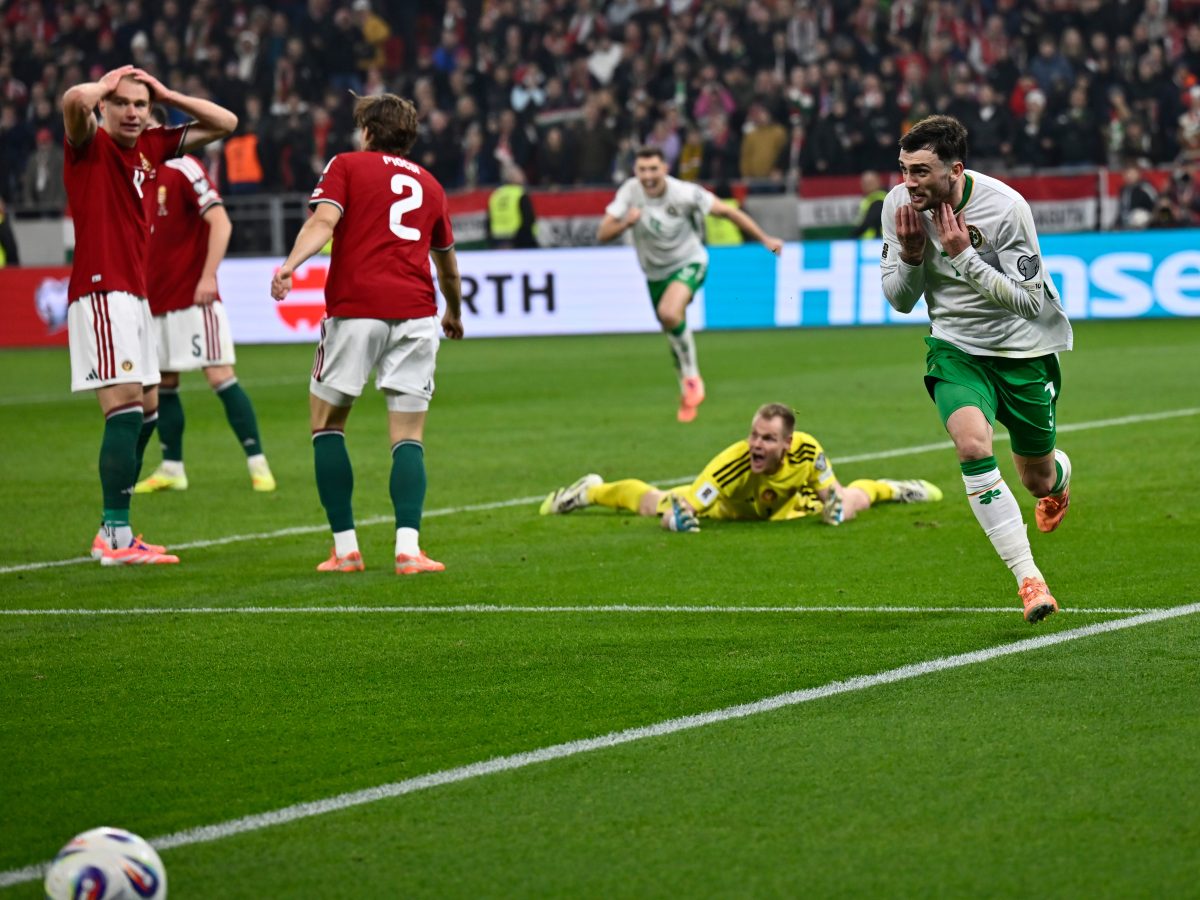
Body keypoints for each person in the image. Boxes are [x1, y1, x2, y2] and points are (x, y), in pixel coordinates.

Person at [880, 114, 1073, 624]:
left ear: (955, 169)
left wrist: (964, 257)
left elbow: (1031, 304)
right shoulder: (898, 207)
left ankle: (1059, 480)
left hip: (1023, 351)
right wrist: (912, 257)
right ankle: (1029, 580)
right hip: (955, 348)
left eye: (920, 172)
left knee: (1037, 478)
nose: (908, 183)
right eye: (903, 169)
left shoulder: (1006, 208)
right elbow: (900, 302)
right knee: (972, 445)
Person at [270, 93, 464, 575]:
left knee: (327, 424)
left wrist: (291, 265)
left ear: (369, 132)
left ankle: (346, 549)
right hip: (418, 313)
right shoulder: (432, 186)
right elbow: (448, 266)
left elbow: (324, 220)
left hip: (358, 309)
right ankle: (408, 549)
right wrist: (453, 313)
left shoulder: (349, 165)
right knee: (408, 435)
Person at [63, 64, 237, 566]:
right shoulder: (87, 143)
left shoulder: (152, 147)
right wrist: (105, 84)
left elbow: (225, 122)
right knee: (123, 408)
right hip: (102, 290)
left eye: (141, 104)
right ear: (105, 108)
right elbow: (74, 101)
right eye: (124, 103)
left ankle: (112, 528)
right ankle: (116, 537)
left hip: (135, 296)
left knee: (149, 406)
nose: (134, 112)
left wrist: (166, 92)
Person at [134, 107, 276, 496]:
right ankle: (172, 467)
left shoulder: (183, 165)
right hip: (154, 298)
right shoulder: (135, 175)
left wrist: (208, 275)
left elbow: (221, 221)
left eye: (145, 126)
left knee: (218, 375)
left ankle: (258, 463)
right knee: (164, 381)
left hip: (193, 296)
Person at [597, 147, 784, 423]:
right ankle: (687, 383)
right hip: (654, 274)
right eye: (642, 170)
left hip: (690, 262)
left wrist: (765, 239)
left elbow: (727, 212)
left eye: (653, 169)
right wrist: (626, 222)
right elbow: (602, 233)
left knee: (669, 313)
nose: (647, 176)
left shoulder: (685, 193)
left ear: (665, 169)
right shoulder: (629, 192)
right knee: (671, 325)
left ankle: (692, 378)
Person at [539, 403, 942, 530]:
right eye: (754, 435)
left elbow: (830, 493)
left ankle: (895, 488)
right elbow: (682, 511)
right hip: (732, 508)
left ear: (786, 443)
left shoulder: (807, 452)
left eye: (767, 439)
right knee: (655, 503)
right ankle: (590, 490)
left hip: (786, 503)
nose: (756, 444)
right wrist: (677, 520)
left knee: (851, 499)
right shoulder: (733, 464)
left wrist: (836, 508)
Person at [486, 162, 538, 249]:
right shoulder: (520, 194)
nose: (523, 176)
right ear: (513, 178)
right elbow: (529, 219)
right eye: (520, 174)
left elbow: (488, 220)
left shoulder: (496, 194)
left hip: (498, 241)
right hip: (519, 242)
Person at [849, 170, 887, 239]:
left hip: (876, 242)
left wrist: (853, 236)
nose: (868, 185)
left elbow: (868, 222)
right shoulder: (869, 199)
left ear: (879, 182)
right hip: (869, 243)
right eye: (865, 183)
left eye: (871, 182)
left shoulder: (879, 199)